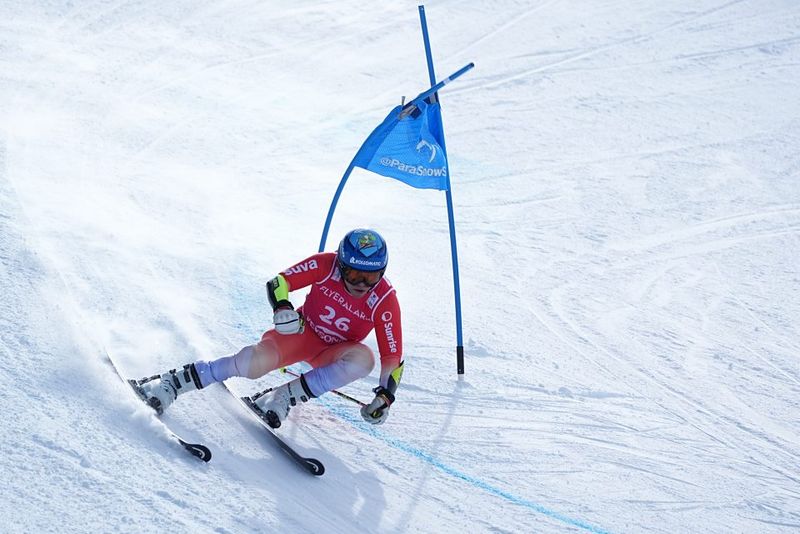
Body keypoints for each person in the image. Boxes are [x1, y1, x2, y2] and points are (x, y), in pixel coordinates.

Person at [139, 228, 404, 428]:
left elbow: (392, 357)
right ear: (341, 265)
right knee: (251, 364)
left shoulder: (384, 299)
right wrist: (282, 307)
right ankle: (172, 382)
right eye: (354, 275)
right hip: (302, 335)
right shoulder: (326, 264)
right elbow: (279, 282)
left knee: (364, 359)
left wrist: (385, 397)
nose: (361, 284)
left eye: (371, 277)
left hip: (333, 353)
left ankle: (282, 397)